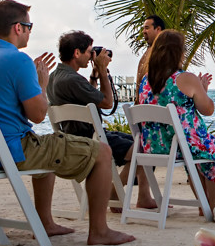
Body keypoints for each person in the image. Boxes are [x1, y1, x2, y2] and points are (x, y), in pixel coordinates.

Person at [0, 0, 134, 245]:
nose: (30, 31)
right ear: (18, 28)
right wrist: (41, 83)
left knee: (45, 145)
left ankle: (45, 223)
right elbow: (38, 115)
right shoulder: (18, 60)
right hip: (6, 151)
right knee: (102, 151)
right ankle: (100, 231)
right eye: (29, 26)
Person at [47, 30, 156, 210]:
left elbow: (89, 97)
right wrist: (104, 73)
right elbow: (106, 102)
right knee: (145, 147)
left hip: (74, 135)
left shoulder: (55, 77)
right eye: (89, 51)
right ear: (76, 53)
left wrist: (95, 75)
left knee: (141, 142)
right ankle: (115, 191)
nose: (92, 55)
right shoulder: (72, 79)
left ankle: (142, 196)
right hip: (90, 137)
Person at [136, 30, 215, 209]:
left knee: (194, 157)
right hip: (180, 147)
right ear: (179, 53)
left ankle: (205, 205)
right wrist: (202, 89)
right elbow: (208, 109)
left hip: (152, 147)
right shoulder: (185, 78)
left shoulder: (146, 80)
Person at [136, 14, 165, 89]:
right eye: (143, 28)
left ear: (158, 29)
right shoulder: (149, 50)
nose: (144, 31)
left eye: (147, 28)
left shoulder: (164, 50)